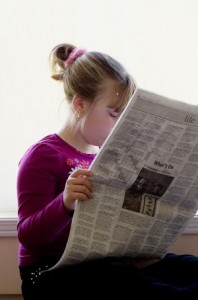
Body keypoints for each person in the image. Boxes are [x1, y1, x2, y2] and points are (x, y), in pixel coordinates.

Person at [17, 43, 198, 300]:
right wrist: (65, 203)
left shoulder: (108, 156)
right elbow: (29, 237)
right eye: (114, 115)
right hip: (51, 273)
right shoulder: (44, 155)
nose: (119, 126)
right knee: (145, 289)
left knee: (190, 268)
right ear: (80, 104)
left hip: (109, 265)